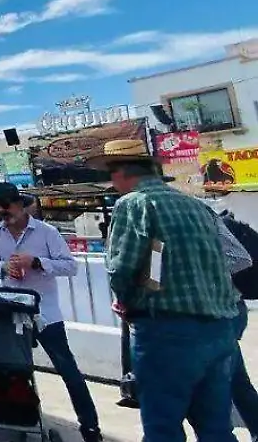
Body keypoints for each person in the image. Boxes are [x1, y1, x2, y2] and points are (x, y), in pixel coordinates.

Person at [96, 139, 240, 441]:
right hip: (217, 330)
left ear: (119, 172)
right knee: (216, 429)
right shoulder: (197, 206)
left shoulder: (134, 203)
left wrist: (125, 300)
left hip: (167, 332)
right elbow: (225, 261)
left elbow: (121, 268)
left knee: (163, 427)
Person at [0, 182, 102, 442]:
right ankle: (20, 418)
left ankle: (90, 427)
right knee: (12, 368)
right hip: (12, 312)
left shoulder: (46, 232)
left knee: (68, 370)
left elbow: (70, 266)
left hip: (45, 313)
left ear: (21, 205)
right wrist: (4, 268)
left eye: (8, 204)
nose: (4, 210)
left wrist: (36, 262)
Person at [214, 207, 258, 437]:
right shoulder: (210, 219)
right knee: (235, 379)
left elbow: (241, 260)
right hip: (233, 309)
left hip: (223, 313)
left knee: (223, 382)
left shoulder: (207, 223)